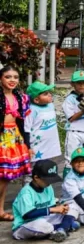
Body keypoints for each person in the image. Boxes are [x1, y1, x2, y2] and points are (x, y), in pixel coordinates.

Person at [11, 159, 76, 241]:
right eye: (47, 180)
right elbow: (28, 215)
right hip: (25, 225)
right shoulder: (26, 192)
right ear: (36, 177)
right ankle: (65, 226)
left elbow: (51, 208)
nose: (50, 182)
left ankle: (61, 230)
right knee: (43, 226)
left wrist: (61, 209)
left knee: (72, 209)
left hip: (44, 219)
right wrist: (53, 209)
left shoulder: (48, 187)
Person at [0, 65, 31, 222]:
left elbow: (24, 122)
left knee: (5, 177)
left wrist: (27, 143)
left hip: (14, 137)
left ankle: (0, 210)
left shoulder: (20, 97)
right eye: (8, 77)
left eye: (15, 77)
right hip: (2, 137)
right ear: (0, 79)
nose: (12, 80)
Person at [62, 70, 84, 170]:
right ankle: (68, 178)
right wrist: (83, 110)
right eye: (79, 83)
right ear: (72, 84)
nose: (82, 85)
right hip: (74, 132)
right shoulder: (70, 99)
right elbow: (71, 118)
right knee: (71, 159)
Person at [23, 81, 61, 164]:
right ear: (36, 100)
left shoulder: (50, 105)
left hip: (51, 146)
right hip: (37, 148)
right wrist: (28, 147)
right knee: (36, 167)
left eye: (49, 92)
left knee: (49, 166)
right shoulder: (32, 110)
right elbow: (26, 130)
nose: (50, 95)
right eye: (45, 94)